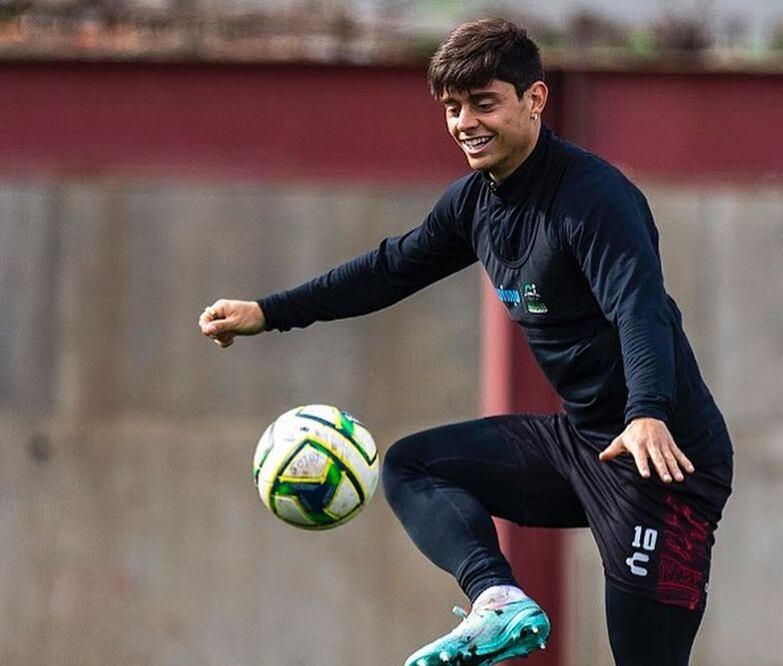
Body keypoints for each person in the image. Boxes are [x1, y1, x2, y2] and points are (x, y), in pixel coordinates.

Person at [198, 18, 733, 666]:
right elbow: (389, 269)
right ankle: (496, 599)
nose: (463, 123)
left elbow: (638, 307)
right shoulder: (474, 204)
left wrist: (647, 410)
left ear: (534, 100)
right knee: (411, 466)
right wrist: (266, 312)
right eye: (452, 107)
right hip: (584, 446)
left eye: (483, 103)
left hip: (662, 462)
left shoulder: (593, 198)